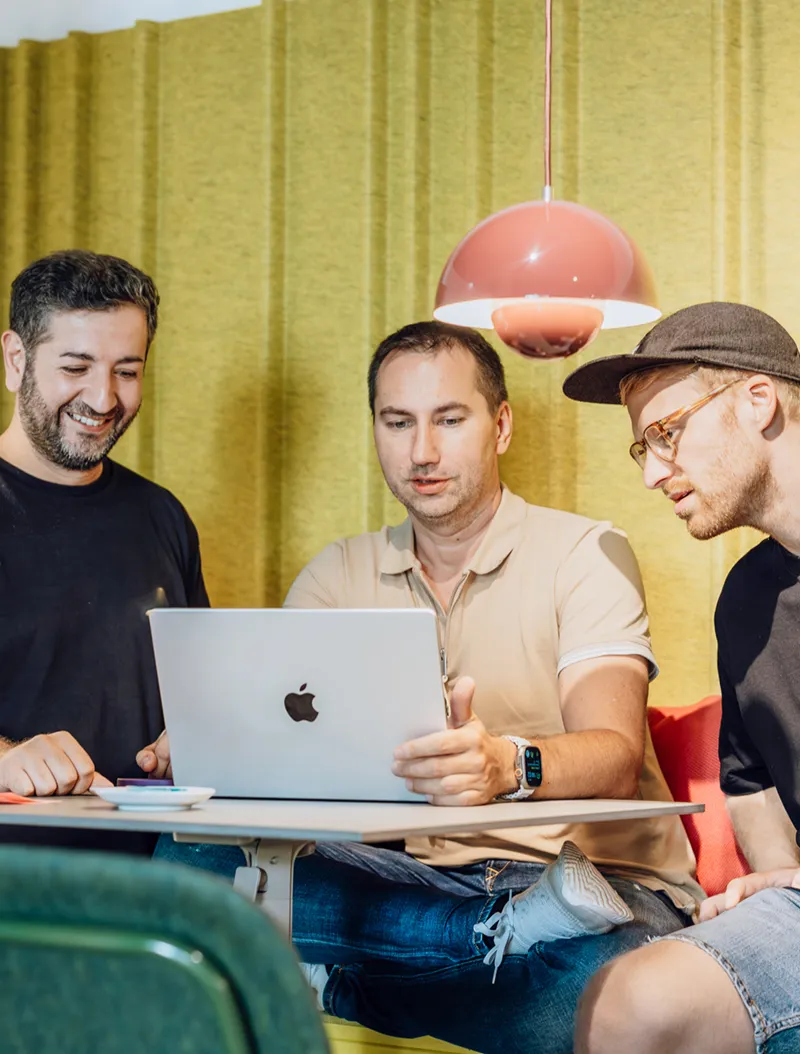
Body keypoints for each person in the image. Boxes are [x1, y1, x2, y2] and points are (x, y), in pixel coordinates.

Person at [158, 320, 700, 1054]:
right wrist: (216, 743)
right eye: (398, 422)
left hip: (602, 888)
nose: (422, 451)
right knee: (187, 860)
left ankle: (345, 983)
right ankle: (477, 939)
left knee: (620, 987)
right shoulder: (337, 572)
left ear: (500, 426)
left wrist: (506, 766)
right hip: (410, 884)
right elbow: (278, 762)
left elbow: (611, 754)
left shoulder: (585, 552)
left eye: (449, 420)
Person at [561, 301, 800, 1054]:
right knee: (626, 1002)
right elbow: (750, 780)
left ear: (758, 401)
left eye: (666, 433)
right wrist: (780, 883)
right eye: (643, 449)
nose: (654, 473)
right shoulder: (748, 602)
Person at [0, 249, 208, 852]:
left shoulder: (161, 515)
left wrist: (195, 734)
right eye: (76, 366)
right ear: (16, 360)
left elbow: (200, 690)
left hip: (167, 868)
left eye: (127, 370)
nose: (104, 397)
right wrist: (7, 759)